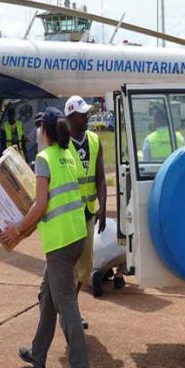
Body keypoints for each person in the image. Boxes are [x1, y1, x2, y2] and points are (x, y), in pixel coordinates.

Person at [0, 107, 91, 368]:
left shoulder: (43, 158)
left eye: (39, 129)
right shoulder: (68, 154)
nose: (36, 133)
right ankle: (38, 354)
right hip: (77, 235)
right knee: (47, 297)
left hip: (60, 243)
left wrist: (17, 227)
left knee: (67, 306)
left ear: (45, 132)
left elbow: (40, 205)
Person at [64, 96, 107, 300]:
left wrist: (103, 208)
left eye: (87, 113)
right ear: (71, 117)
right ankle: (70, 309)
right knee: (68, 264)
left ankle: (68, 304)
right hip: (68, 214)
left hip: (89, 211)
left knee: (87, 266)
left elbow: (100, 178)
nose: (87, 117)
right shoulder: (62, 144)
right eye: (82, 114)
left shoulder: (94, 140)